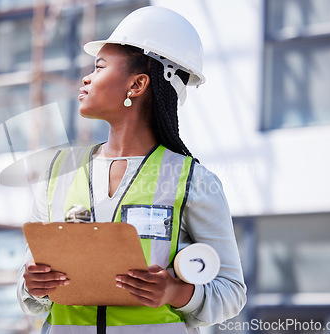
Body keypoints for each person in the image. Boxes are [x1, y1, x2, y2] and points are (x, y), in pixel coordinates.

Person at [17, 6, 246, 333]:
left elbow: (231, 292)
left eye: (99, 66)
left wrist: (176, 292)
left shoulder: (193, 181)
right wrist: (32, 284)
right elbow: (27, 291)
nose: (86, 77)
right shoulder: (58, 173)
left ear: (136, 85)